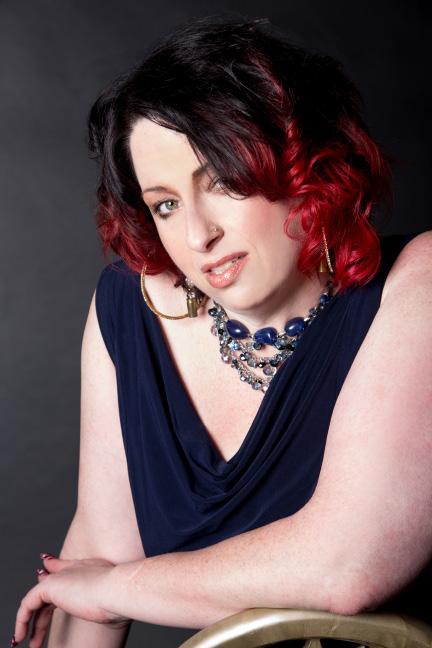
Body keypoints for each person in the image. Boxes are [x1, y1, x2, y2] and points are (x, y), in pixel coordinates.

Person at [12, 14, 432, 648]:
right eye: (166, 204)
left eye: (223, 183)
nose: (197, 235)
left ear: (306, 167)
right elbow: (99, 547)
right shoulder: (130, 307)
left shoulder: (417, 282)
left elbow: (348, 566)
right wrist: (93, 590)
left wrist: (113, 586)